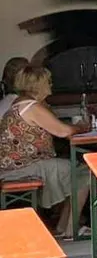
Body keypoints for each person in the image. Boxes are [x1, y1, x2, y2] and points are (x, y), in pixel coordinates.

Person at [0, 65, 89, 238]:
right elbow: (64, 131)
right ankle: (70, 229)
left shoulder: (21, 103)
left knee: (76, 170)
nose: (51, 84)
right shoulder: (31, 107)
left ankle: (64, 228)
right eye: (48, 81)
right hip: (22, 167)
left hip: (18, 163)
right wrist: (81, 127)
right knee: (85, 173)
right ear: (38, 85)